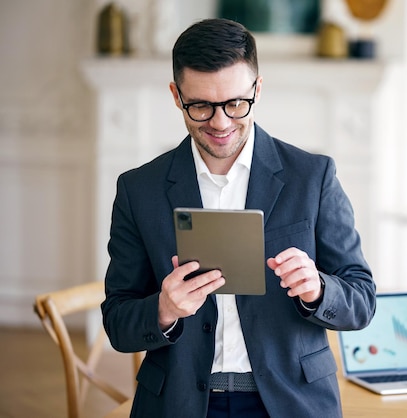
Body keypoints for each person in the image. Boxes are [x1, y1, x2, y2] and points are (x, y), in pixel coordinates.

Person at [101, 18, 376, 418]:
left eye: (235, 103)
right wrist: (162, 309)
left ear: (257, 90)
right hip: (177, 403)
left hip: (291, 403)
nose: (220, 122)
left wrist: (318, 289)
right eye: (200, 106)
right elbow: (117, 321)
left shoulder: (312, 178)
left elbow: (362, 299)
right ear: (176, 96)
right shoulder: (138, 190)